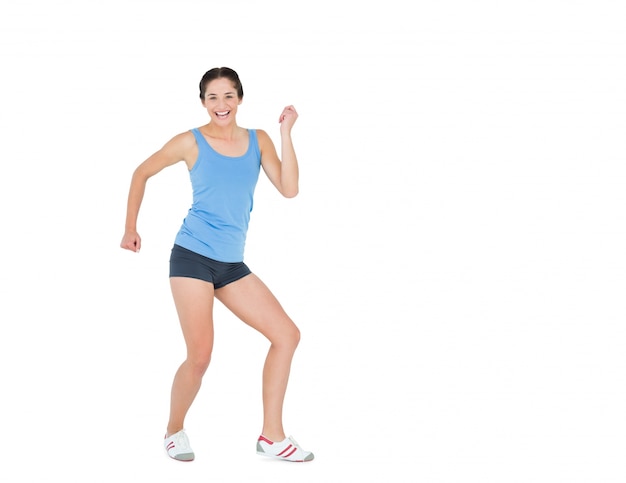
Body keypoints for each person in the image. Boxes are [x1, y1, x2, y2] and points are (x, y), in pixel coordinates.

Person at [120, 67, 313, 463]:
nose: (221, 105)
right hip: (191, 256)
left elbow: (290, 189)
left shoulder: (258, 140)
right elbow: (142, 172)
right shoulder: (190, 142)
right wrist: (130, 228)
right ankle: (173, 431)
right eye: (212, 97)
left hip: (231, 264)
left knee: (287, 335)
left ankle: (272, 437)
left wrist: (286, 133)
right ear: (203, 103)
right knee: (201, 355)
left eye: (228, 96)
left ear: (239, 98)